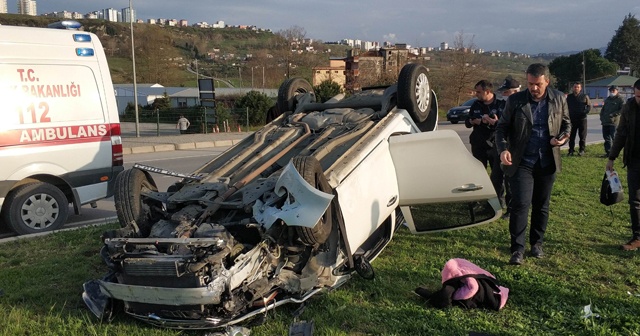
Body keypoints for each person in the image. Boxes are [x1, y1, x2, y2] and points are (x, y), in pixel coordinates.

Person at [495, 63, 571, 265]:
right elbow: (501, 128)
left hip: (547, 161)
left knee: (541, 206)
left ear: (547, 81)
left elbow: (566, 124)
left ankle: (537, 244)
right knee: (520, 204)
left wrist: (562, 138)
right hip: (522, 161)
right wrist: (503, 149)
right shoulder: (515, 101)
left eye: (538, 84)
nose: (534, 88)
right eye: (530, 84)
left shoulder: (559, 99)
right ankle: (517, 249)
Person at [606, 79, 640, 251]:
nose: (639, 99)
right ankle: (637, 237)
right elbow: (621, 134)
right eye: (638, 96)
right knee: (635, 201)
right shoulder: (629, 107)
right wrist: (612, 157)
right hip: (634, 159)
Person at [465, 80, 506, 210]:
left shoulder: (501, 104)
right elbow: (467, 121)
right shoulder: (476, 104)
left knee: (497, 176)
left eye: (479, 92)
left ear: (487, 91)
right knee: (478, 174)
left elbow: (505, 125)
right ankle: (477, 202)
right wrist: (475, 121)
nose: (476, 94)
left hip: (494, 145)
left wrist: (493, 122)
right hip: (478, 144)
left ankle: (497, 202)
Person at [495, 76, 521, 217]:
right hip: (503, 147)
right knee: (503, 178)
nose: (503, 95)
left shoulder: (523, 105)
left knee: (513, 182)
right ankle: (505, 204)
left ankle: (513, 210)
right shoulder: (502, 105)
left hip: (517, 149)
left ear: (515, 92)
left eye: (506, 92)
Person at [566, 82, 591, 156]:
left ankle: (581, 150)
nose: (576, 88)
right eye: (575, 87)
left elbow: (589, 106)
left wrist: (585, 112)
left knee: (582, 136)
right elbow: (565, 107)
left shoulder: (584, 96)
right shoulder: (569, 97)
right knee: (571, 136)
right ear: (573, 88)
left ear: (580, 88)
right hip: (572, 119)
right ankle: (571, 150)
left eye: (578, 87)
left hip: (582, 119)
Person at [600, 85, 624, 157]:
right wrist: (601, 116)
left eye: (613, 90)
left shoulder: (620, 99)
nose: (612, 92)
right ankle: (608, 152)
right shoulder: (608, 99)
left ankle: (615, 153)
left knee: (615, 138)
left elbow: (622, 109)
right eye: (611, 90)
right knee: (606, 138)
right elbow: (603, 109)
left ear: (617, 90)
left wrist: (614, 114)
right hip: (605, 122)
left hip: (614, 122)